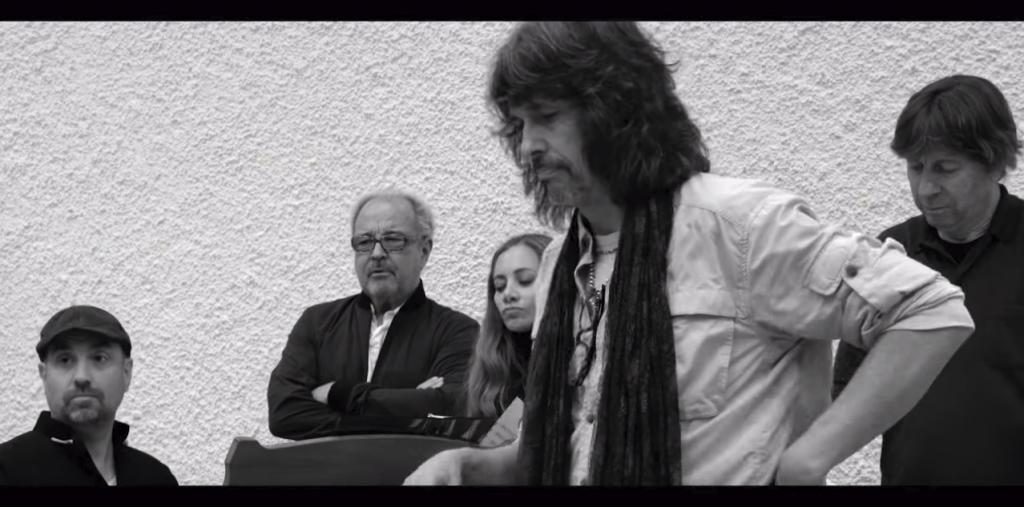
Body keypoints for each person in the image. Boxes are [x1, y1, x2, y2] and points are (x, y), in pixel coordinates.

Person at [404, 21, 974, 486]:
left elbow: (929, 310)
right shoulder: (558, 264)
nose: (528, 145)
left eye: (548, 117)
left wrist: (809, 459)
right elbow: (569, 448)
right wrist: (468, 466)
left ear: (615, 112)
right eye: (520, 124)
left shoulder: (738, 226)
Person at [832, 75, 1024, 485]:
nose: (925, 188)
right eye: (915, 168)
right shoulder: (892, 253)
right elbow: (846, 391)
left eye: (945, 169)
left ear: (995, 163)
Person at [268, 190, 480, 440]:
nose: (377, 253)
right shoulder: (318, 323)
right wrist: (403, 414)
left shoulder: (457, 331)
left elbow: (450, 410)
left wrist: (337, 394)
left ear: (424, 251)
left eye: (393, 240)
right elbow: (284, 414)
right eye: (365, 242)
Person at [0, 305, 178, 486]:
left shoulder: (156, 478)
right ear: (44, 375)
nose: (82, 377)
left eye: (99, 358)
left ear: (126, 373)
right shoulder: (7, 471)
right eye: (65, 360)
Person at [462, 233, 553, 419]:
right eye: (500, 286)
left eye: (525, 280)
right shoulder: (492, 368)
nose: (508, 294)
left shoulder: (581, 363)